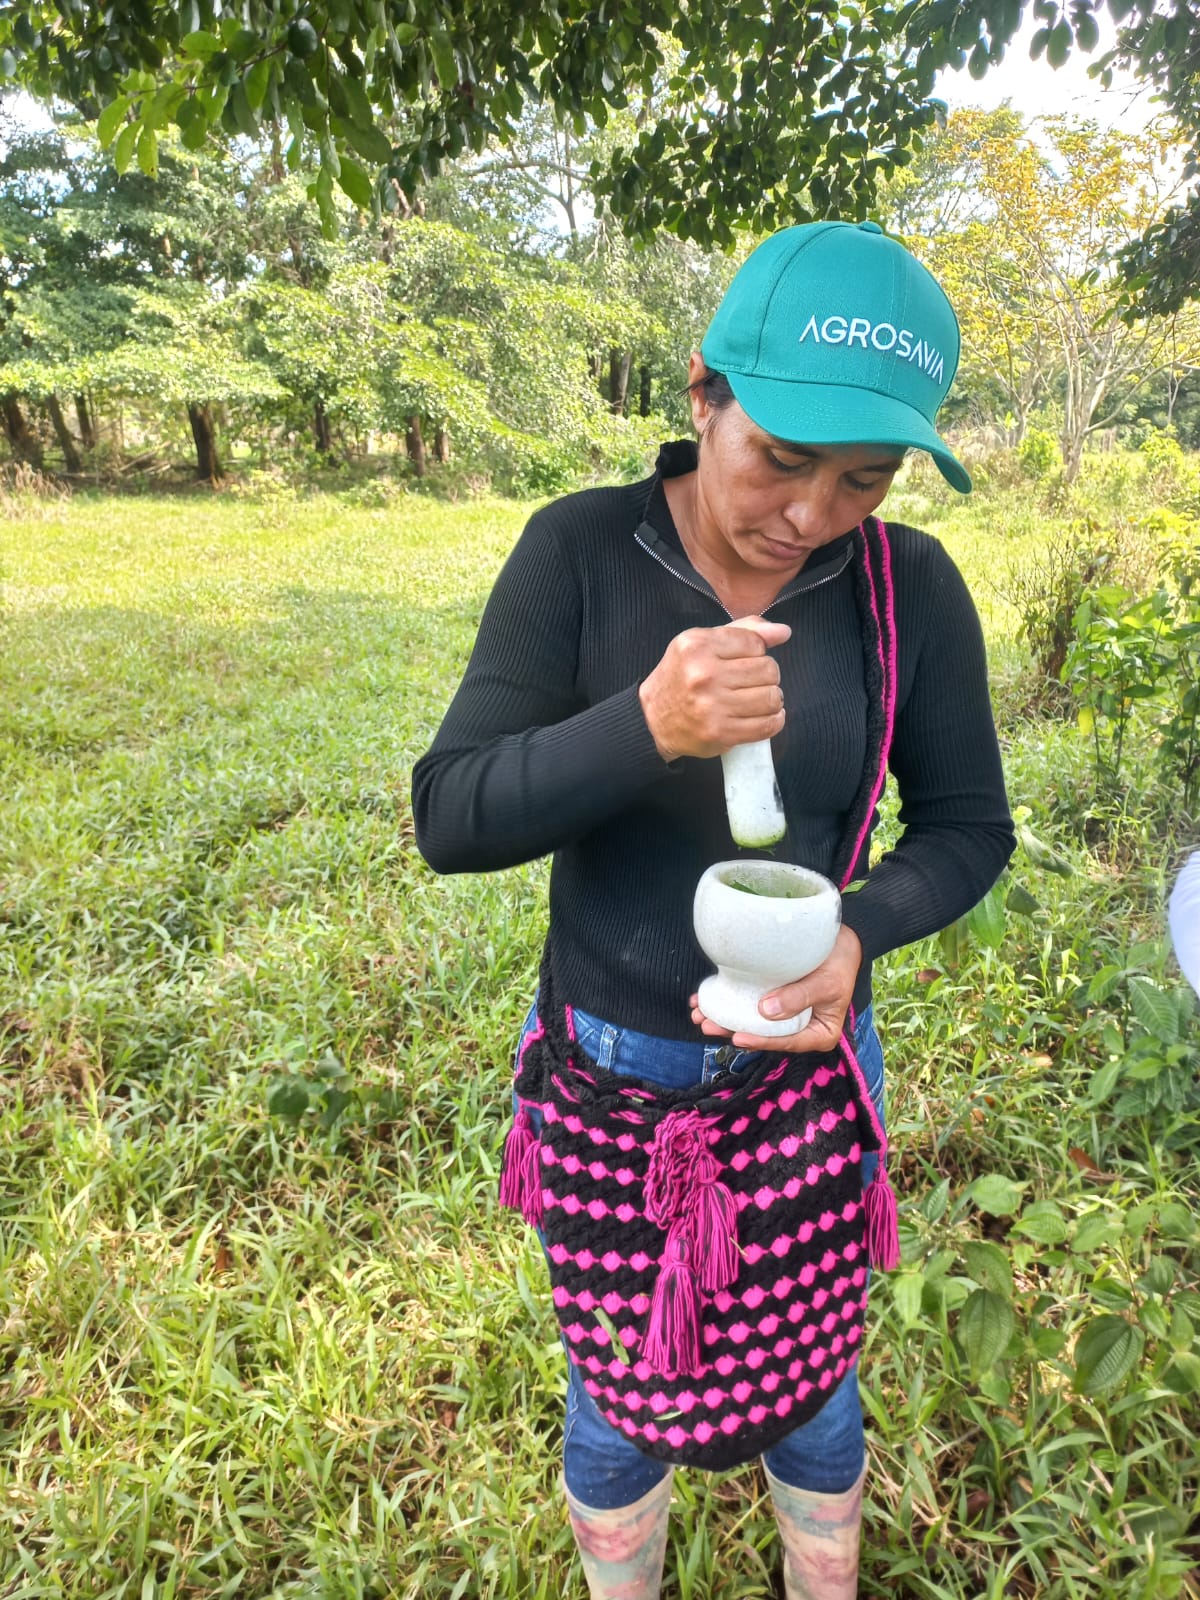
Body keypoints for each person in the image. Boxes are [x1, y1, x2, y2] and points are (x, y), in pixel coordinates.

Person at [412, 221, 1014, 1599]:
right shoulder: (580, 553)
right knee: (619, 1393)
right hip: (610, 1069)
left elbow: (971, 827)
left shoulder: (906, 588)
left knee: (813, 1374)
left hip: (804, 1068)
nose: (811, 514)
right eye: (781, 460)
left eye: (863, 478)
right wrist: (646, 724)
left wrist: (859, 936)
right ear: (703, 398)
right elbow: (452, 813)